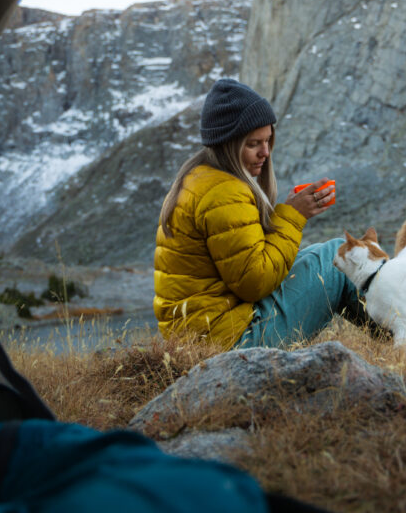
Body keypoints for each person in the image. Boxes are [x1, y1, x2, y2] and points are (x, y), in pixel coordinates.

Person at [153, 78, 360, 349]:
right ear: (229, 144)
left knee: (315, 255)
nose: (265, 152)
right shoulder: (224, 192)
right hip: (232, 342)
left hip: (207, 334)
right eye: (253, 144)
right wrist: (292, 217)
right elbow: (254, 282)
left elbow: (243, 261)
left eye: (268, 140)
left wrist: (283, 218)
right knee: (339, 257)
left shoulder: (199, 178)